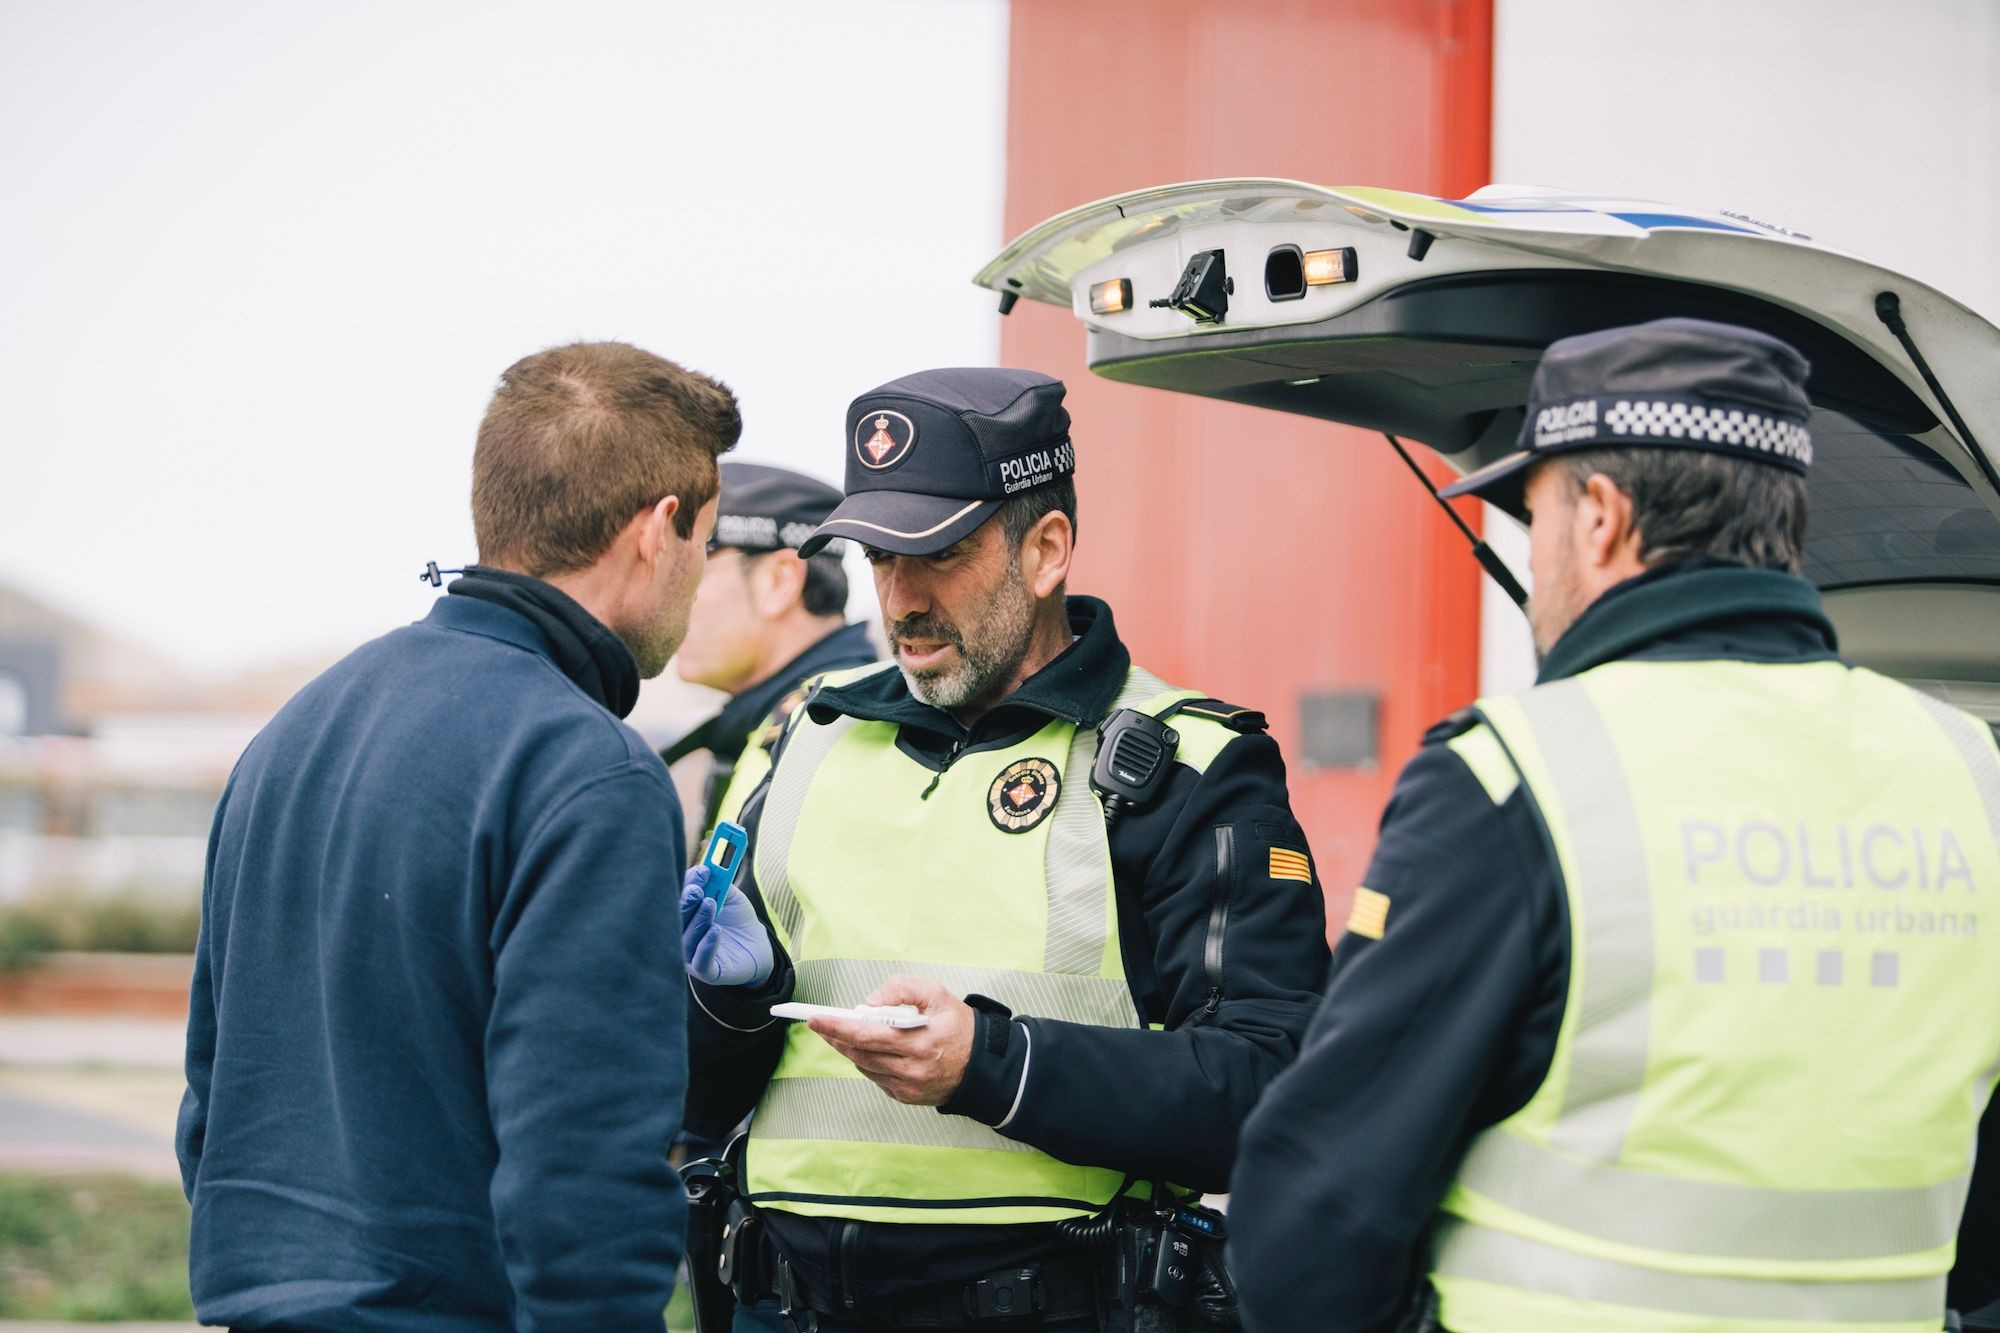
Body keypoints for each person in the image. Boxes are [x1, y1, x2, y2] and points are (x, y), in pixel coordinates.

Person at [1227, 318, 2000, 1333]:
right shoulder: (1967, 772)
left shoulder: (1517, 775)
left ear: (1597, 518)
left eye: (1534, 518)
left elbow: (1313, 1219)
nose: (1535, 562)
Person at [677, 367, 1331, 1331]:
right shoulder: (802, 738)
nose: (899, 601)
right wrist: (720, 1007)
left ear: (1047, 549)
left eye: (935, 553)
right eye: (876, 559)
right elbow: (701, 1100)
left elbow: (1274, 1088)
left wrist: (995, 1063)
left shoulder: (1193, 765)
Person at [177, 341, 739, 1332]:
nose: (700, 577)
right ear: (658, 530)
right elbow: (584, 1165)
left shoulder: (296, 730)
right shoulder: (586, 771)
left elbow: (212, 1095)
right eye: (708, 540)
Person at [664, 461, 877, 844]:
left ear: (778, 581)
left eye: (691, 568)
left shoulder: (837, 733)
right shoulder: (786, 723)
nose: (668, 597)